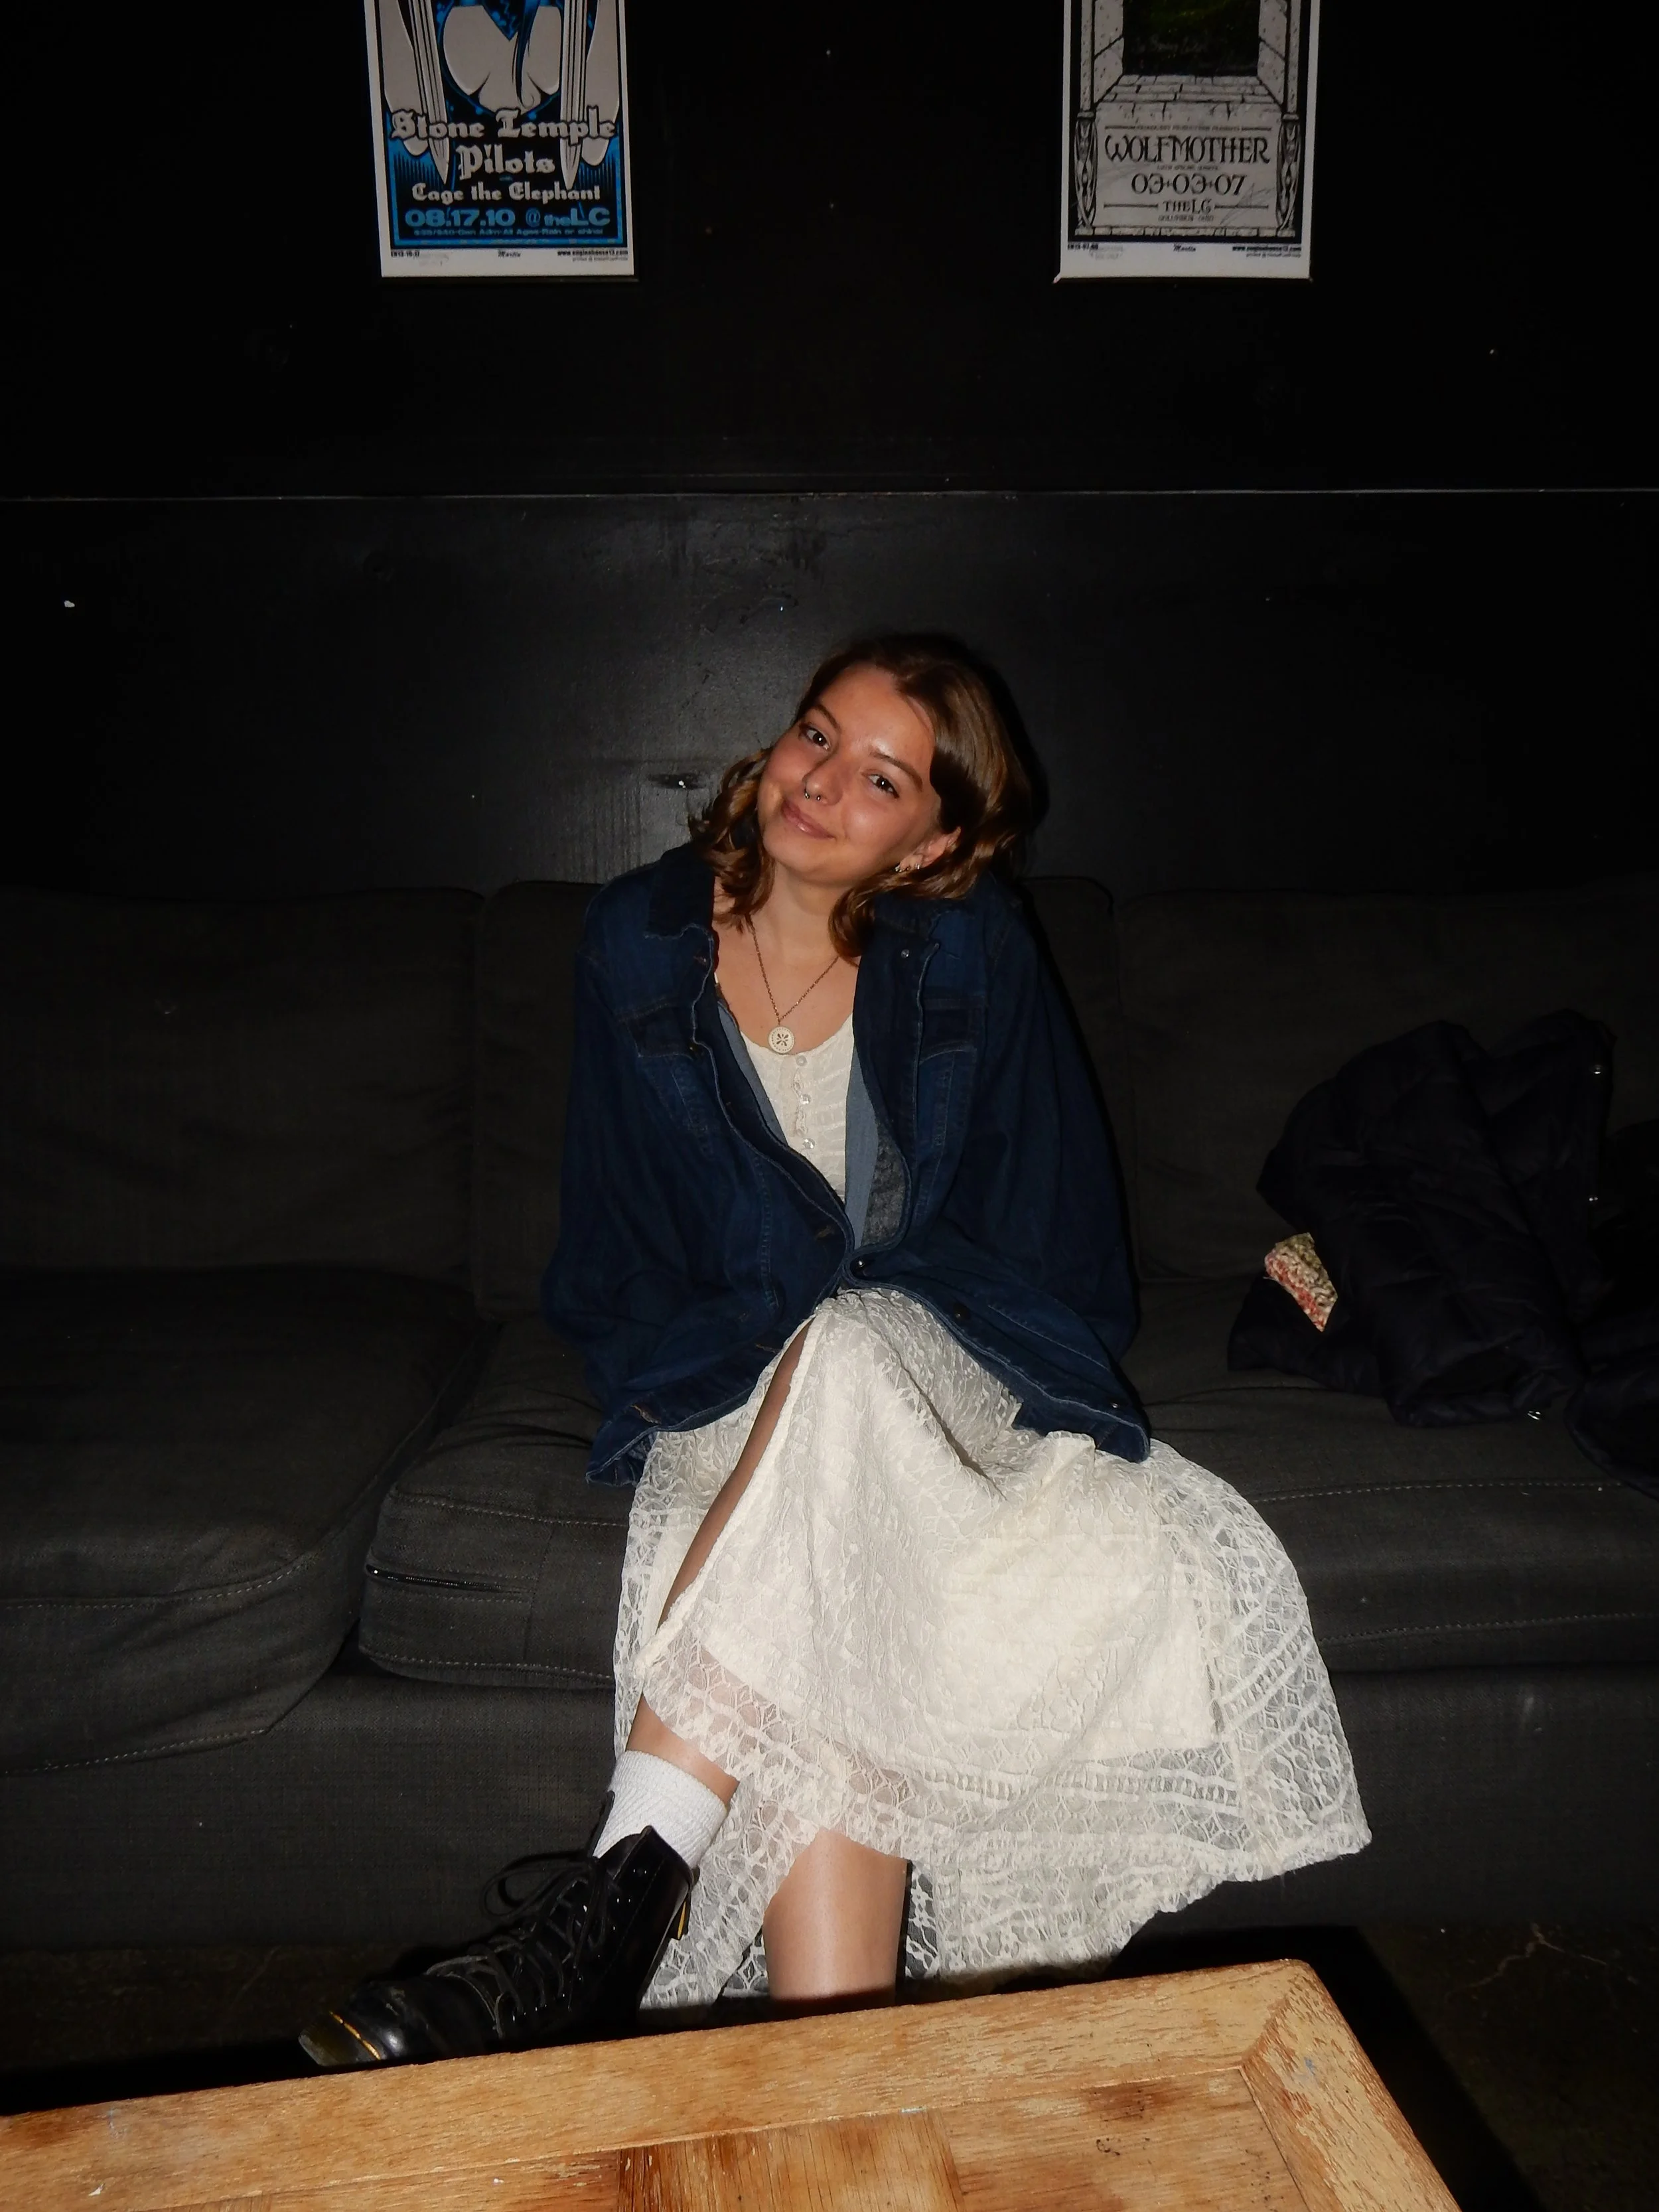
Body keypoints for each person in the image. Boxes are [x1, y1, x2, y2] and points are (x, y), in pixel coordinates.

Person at [302, 636, 1366, 2069]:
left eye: (880, 778)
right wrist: (702, 1370)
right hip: (740, 1386)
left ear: (934, 840)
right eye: (817, 735)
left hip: (950, 1366)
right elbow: (611, 1235)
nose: (820, 783)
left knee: (857, 1339)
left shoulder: (971, 947)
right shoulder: (637, 939)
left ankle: (618, 1889)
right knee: (839, 1628)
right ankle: (838, 2095)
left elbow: (1056, 1228)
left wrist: (944, 1343)